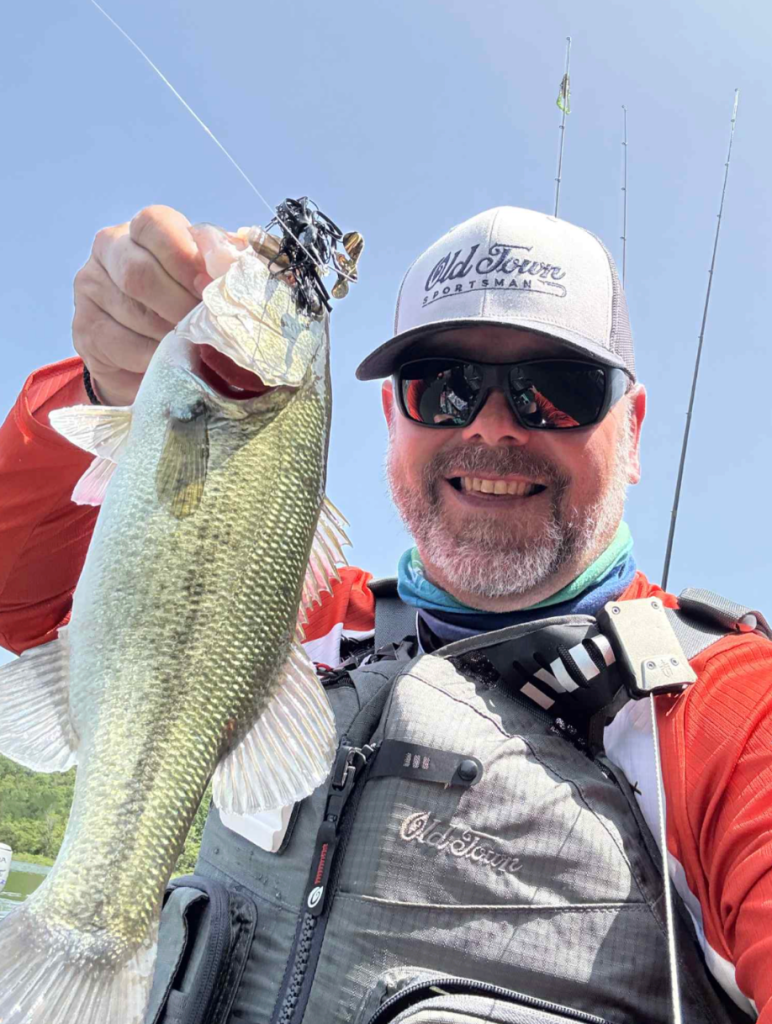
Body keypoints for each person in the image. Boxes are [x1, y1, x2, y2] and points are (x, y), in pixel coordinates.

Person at [0, 204, 770, 1024]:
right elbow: (19, 596)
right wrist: (101, 386)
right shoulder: (305, 626)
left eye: (557, 389)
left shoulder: (727, 714)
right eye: (442, 386)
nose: (492, 425)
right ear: (391, 420)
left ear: (634, 432)